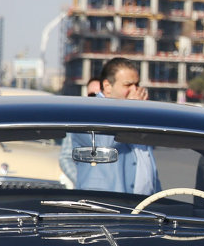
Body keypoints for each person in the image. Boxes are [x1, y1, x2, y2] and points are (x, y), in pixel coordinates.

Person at [59, 57, 158, 194]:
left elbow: (145, 158)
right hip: (106, 205)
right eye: (128, 85)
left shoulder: (135, 114)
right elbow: (104, 142)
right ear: (107, 86)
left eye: (137, 84)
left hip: (143, 207)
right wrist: (129, 109)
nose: (135, 89)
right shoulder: (89, 111)